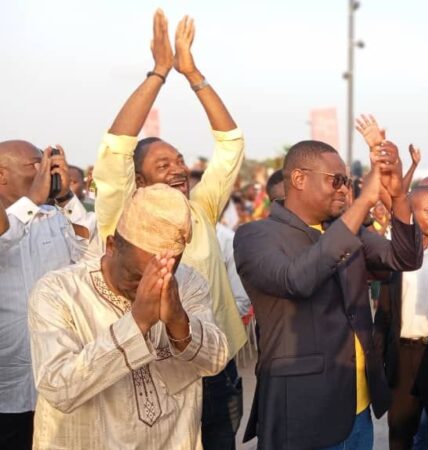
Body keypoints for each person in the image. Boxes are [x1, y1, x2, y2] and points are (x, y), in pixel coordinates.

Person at [92, 11, 247, 449]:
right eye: (163, 165)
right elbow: (114, 151)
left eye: (179, 160)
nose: (179, 169)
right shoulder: (122, 219)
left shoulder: (200, 210)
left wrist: (192, 74)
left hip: (217, 366)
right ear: (137, 182)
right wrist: (159, 72)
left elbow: (230, 144)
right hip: (157, 371)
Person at [234, 139, 423, 449]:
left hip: (358, 411)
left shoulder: (347, 230)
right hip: (303, 412)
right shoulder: (256, 235)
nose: (343, 189)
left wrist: (399, 196)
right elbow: (296, 280)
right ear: (299, 179)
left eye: (346, 181)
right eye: (336, 180)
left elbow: (405, 258)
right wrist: (363, 203)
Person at [28, 184, 229, 450]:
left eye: (161, 276)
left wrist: (178, 321)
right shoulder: (58, 292)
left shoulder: (188, 284)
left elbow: (215, 360)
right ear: (111, 246)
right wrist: (137, 323)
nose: (149, 288)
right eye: (137, 277)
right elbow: (57, 387)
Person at [0, 142, 93, 450]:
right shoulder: (14, 217)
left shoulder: (57, 218)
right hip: (7, 391)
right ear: (2, 175)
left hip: (61, 382)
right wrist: (30, 202)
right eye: (35, 165)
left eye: (48, 164)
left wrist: (65, 197)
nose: (46, 171)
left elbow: (92, 252)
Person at [374, 185, 428, 450]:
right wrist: (379, 362)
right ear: (411, 214)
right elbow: (383, 314)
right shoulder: (394, 254)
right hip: (402, 356)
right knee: (401, 431)